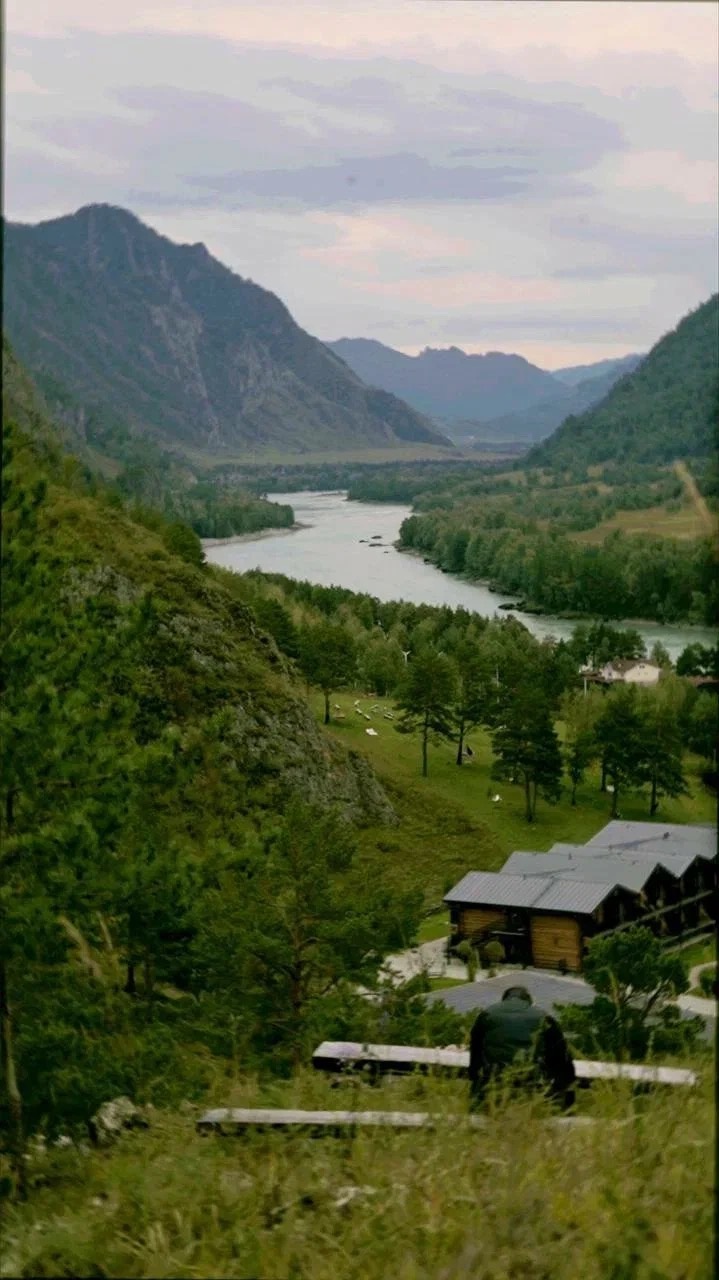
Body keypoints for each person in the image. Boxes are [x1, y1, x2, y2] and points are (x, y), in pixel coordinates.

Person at [468, 986, 575, 1111]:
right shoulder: (544, 1017)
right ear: (529, 1001)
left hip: (493, 1084)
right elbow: (562, 1057)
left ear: (504, 1000)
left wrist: (476, 1081)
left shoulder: (487, 1015)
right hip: (532, 1084)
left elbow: (475, 1055)